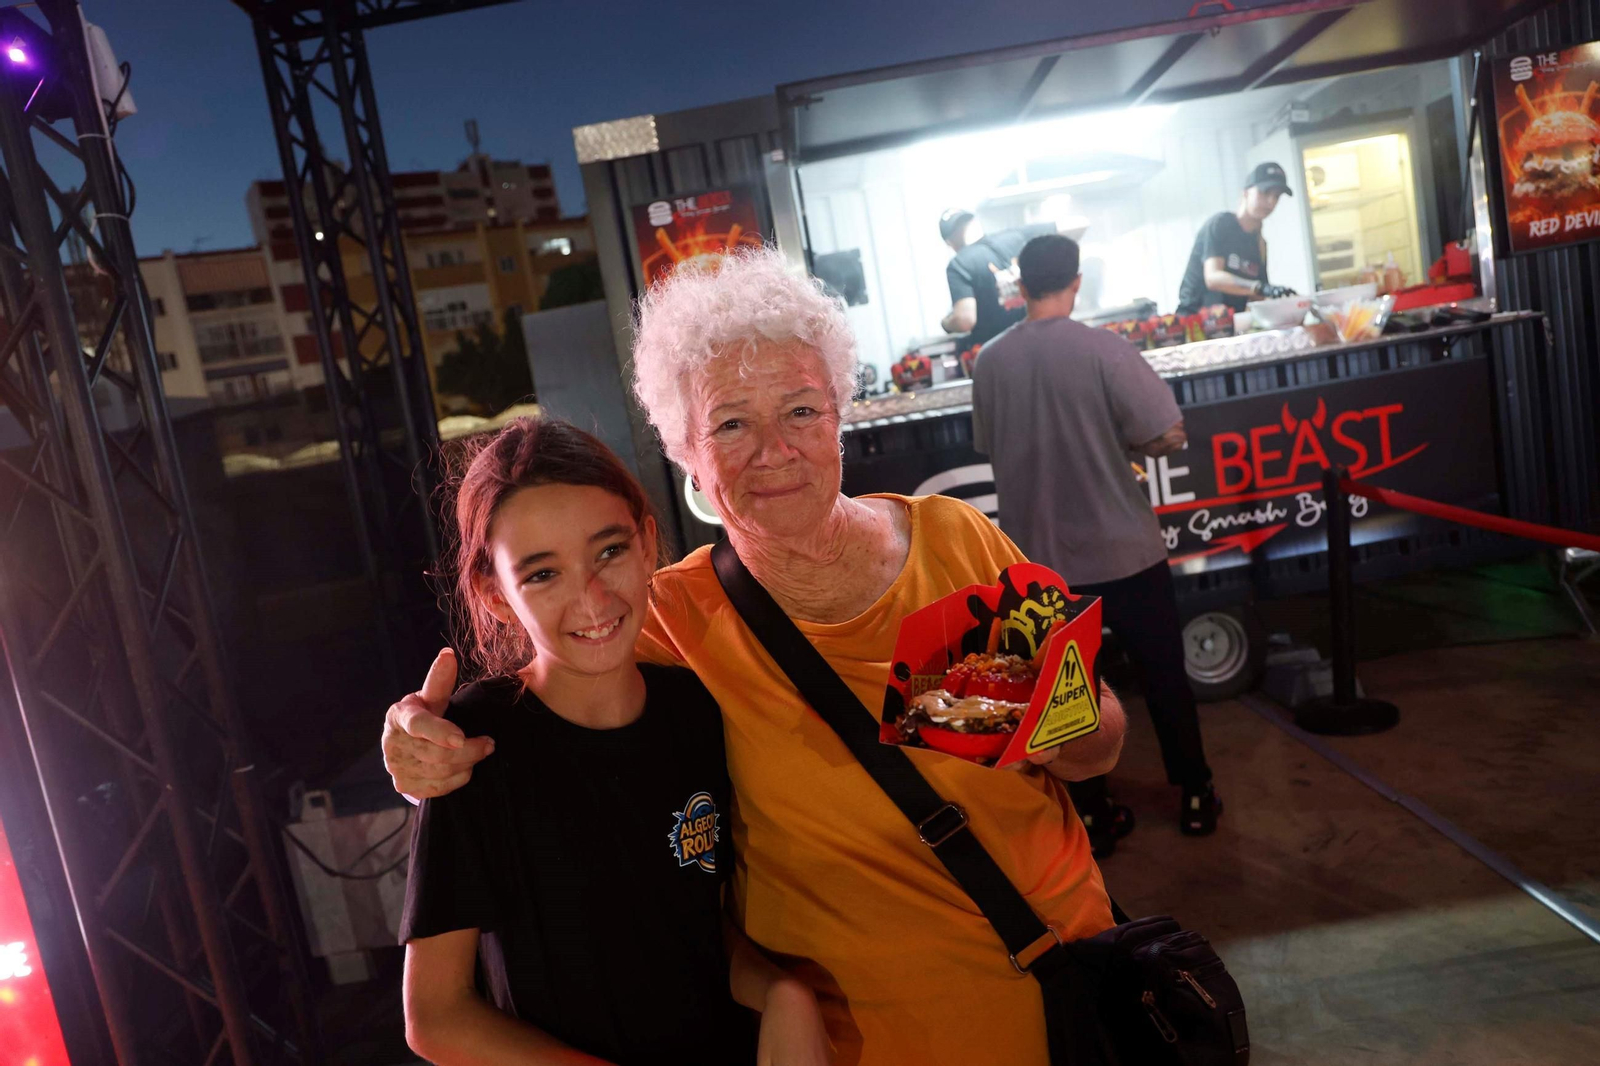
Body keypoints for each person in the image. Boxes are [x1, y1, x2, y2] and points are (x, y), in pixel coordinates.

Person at [384, 248, 1128, 1065]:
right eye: (731, 423)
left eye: (802, 411)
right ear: (686, 452)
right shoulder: (668, 617)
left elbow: (1099, 750)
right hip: (869, 1042)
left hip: (1071, 997)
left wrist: (1065, 726)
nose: (774, 450)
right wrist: (418, 743)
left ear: (841, 413)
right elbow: (545, 682)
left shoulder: (956, 539)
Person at [399, 417, 831, 1065]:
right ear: (495, 593)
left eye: (609, 552)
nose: (592, 598)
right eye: (543, 574)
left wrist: (782, 993)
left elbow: (689, 928)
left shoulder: (694, 709)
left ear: (648, 538)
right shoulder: (475, 743)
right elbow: (435, 1016)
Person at [971, 234, 1222, 859]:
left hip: (1043, 565)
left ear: (1020, 287)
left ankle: (1091, 811)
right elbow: (1167, 432)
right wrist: (1129, 446)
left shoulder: (991, 362)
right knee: (1165, 676)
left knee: (1069, 693)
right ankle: (1194, 795)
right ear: (1076, 282)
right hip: (1126, 553)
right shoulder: (1105, 349)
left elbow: (987, 443)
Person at [1175, 161, 1298, 315]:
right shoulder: (1220, 224)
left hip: (1230, 325)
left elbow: (1257, 297)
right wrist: (1260, 287)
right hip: (1195, 324)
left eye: (1276, 196)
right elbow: (1213, 278)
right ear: (1246, 192)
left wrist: (1286, 303)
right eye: (1265, 193)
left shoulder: (1259, 244)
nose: (1271, 202)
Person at [938, 209, 1057, 350]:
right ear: (975, 222)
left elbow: (965, 320)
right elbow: (1076, 224)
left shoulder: (959, 263)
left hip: (1001, 352)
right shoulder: (1015, 236)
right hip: (1043, 338)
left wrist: (946, 323)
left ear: (949, 242)